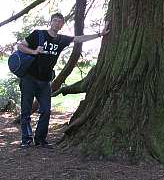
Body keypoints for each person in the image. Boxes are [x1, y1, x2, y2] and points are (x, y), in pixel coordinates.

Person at [18, 12, 110, 148]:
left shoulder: (61, 39)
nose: (57, 23)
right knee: (26, 111)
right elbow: (21, 46)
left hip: (45, 81)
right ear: (51, 22)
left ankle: (40, 139)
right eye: (55, 20)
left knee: (46, 111)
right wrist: (34, 51)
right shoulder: (38, 34)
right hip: (29, 79)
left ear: (62, 25)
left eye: (60, 22)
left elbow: (79, 38)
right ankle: (26, 139)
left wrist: (99, 34)